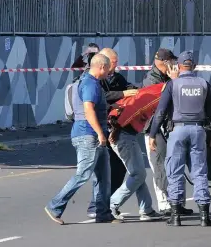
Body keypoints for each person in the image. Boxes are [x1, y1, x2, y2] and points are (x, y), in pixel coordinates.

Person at [44, 54, 122, 224]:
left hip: (93, 135)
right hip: (89, 135)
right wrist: (100, 134)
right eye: (108, 69)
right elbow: (88, 110)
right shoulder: (90, 83)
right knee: (83, 174)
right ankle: (54, 206)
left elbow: (94, 106)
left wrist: (111, 107)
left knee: (103, 177)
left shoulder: (91, 82)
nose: (110, 73)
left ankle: (103, 213)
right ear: (101, 67)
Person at [148, 50, 211, 227]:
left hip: (177, 131)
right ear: (194, 66)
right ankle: (205, 216)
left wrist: (152, 134)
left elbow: (161, 112)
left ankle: (176, 215)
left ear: (178, 66)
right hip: (198, 130)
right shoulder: (204, 84)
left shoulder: (173, 85)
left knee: (175, 171)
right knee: (199, 171)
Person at [85, 48, 143, 219]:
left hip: (117, 128)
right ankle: (95, 205)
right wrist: (122, 94)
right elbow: (102, 97)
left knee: (118, 169)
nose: (115, 65)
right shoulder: (95, 79)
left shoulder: (116, 77)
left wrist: (136, 91)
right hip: (102, 129)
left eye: (116, 62)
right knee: (100, 171)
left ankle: (108, 203)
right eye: (113, 62)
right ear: (103, 62)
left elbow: (127, 87)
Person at [142, 48, 193, 216]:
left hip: (168, 128)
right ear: (165, 62)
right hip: (154, 130)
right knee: (160, 167)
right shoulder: (152, 80)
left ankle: (177, 203)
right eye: (172, 61)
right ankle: (167, 205)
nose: (174, 64)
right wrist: (174, 82)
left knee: (174, 165)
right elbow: (162, 104)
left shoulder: (167, 76)